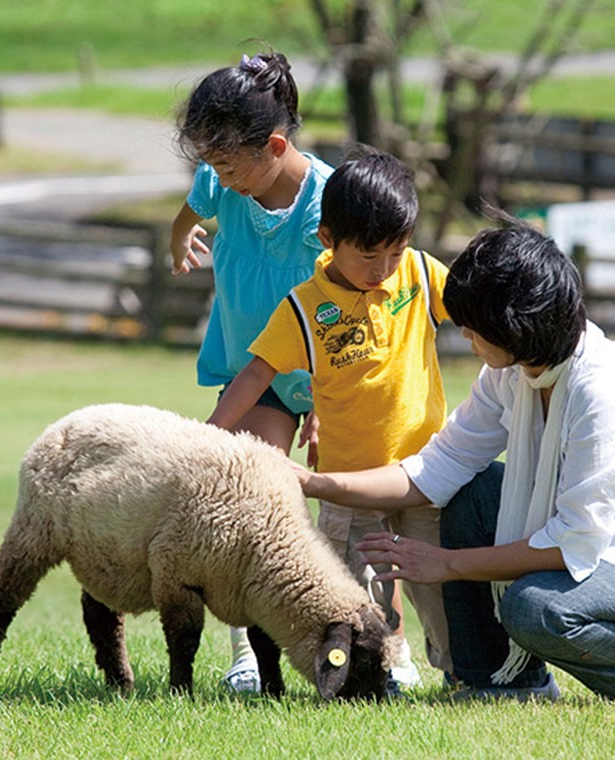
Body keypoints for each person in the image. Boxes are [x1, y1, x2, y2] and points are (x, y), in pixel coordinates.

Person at [291, 219, 615, 706]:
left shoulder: (603, 388)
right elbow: (435, 469)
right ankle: (496, 684)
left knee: (536, 610)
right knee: (470, 491)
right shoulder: (516, 373)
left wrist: (447, 564)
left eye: (474, 327)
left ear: (516, 328)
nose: (465, 336)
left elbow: (572, 543)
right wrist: (318, 484)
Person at [208, 149, 453, 691]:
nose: (383, 268)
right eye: (369, 255)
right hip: (346, 485)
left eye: (395, 250)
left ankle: (461, 671)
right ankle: (380, 668)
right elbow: (256, 373)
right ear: (326, 239)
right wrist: (210, 434)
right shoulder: (304, 307)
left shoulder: (417, 273)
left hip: (425, 474)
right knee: (350, 589)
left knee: (437, 587)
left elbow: (472, 306)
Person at [170, 50, 332, 694]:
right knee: (249, 502)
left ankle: (383, 644)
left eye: (228, 163)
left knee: (350, 516)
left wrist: (327, 399)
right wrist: (178, 236)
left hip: (328, 376)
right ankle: (249, 651)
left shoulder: (329, 204)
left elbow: (349, 305)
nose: (219, 177)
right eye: (209, 164)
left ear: (272, 145)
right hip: (251, 373)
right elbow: (192, 207)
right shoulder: (225, 183)